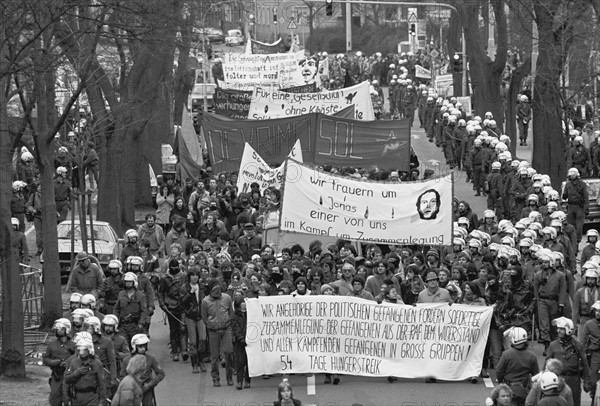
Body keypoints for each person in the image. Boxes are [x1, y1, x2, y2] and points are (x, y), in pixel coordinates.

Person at [545, 317, 590, 406]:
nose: (558, 331)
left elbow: (585, 365)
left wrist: (587, 381)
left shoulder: (577, 345)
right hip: (557, 381)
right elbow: (546, 365)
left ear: (568, 330)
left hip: (574, 381)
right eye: (558, 328)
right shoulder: (553, 345)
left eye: (561, 329)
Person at [201, 278, 234, 387]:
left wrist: (228, 323)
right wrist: (211, 325)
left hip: (226, 328)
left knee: (228, 352)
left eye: (219, 290)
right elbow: (204, 317)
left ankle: (229, 376)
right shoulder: (205, 301)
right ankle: (215, 377)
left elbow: (231, 313)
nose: (217, 293)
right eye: (214, 291)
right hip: (213, 331)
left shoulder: (227, 298)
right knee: (214, 356)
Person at [496, 327, 540, 406]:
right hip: (524, 391)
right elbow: (536, 376)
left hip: (509, 389)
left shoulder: (506, 354)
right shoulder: (532, 356)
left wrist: (500, 382)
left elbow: (499, 371)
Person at [63, 331, 107, 406]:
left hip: (92, 396)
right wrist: (76, 373)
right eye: (80, 349)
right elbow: (66, 380)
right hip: (77, 397)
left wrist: (102, 401)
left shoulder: (96, 363)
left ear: (90, 349)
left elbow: (101, 383)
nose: (82, 352)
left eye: (84, 350)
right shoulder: (74, 362)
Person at [120, 334, 165, 406]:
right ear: (135, 346)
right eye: (140, 346)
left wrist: (150, 384)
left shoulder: (151, 359)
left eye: (144, 346)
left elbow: (161, 374)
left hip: (147, 389)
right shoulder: (126, 360)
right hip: (132, 390)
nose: (143, 348)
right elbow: (122, 377)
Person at [158, 260, 188, 362]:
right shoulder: (164, 279)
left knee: (183, 327)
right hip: (170, 307)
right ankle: (175, 352)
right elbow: (161, 293)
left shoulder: (184, 276)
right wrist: (162, 305)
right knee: (174, 330)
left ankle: (184, 351)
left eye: (176, 267)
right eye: (172, 268)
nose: (174, 270)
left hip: (183, 305)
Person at [180, 267, 207, 374]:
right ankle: (194, 363)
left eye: (196, 275)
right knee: (193, 341)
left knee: (203, 339)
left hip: (201, 315)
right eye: (192, 275)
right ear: (189, 276)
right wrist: (190, 293)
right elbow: (182, 302)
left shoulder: (202, 287)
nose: (195, 277)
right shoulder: (184, 287)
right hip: (190, 316)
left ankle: (201, 360)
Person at [43, 318, 75, 406]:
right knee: (54, 398)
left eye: (60, 329)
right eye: (57, 329)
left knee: (70, 398)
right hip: (57, 375)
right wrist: (54, 362)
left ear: (66, 329)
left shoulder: (73, 344)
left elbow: (79, 358)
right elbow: (45, 359)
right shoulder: (51, 344)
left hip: (71, 375)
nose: (58, 331)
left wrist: (69, 362)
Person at [113, 272, 148, 346]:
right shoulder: (121, 294)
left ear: (134, 282)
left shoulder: (141, 296)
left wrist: (141, 323)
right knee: (123, 345)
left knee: (135, 346)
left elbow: (144, 311)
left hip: (135, 326)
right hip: (123, 325)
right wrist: (115, 320)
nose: (128, 284)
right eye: (126, 282)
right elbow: (117, 309)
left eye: (130, 282)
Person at [562, 168, 589, 243]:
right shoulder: (568, 184)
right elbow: (565, 196)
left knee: (578, 226)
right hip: (571, 206)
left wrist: (586, 208)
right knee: (571, 225)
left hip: (579, 207)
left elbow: (585, 197)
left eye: (570, 175)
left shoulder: (582, 184)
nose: (569, 177)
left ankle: (576, 241)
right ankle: (573, 240)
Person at [231, 298, 250, 389]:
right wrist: (241, 339)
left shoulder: (250, 315)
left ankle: (247, 380)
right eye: (242, 307)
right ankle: (239, 381)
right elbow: (236, 329)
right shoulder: (234, 317)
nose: (244, 309)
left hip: (250, 341)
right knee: (240, 362)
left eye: (245, 307)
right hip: (239, 343)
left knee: (249, 362)